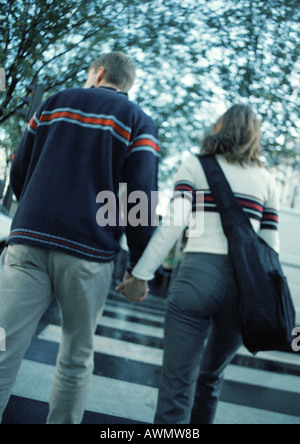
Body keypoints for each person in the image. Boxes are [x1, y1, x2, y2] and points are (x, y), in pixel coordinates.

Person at [0, 51, 159, 424]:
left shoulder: (55, 103)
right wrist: (138, 267)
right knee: (74, 359)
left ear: (98, 72)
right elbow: (138, 197)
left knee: (4, 348)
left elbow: (19, 169)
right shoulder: (138, 121)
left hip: (29, 240)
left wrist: (36, 210)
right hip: (89, 250)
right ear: (127, 84)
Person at [117, 104, 280, 424]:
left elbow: (173, 225)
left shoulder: (195, 166)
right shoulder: (268, 181)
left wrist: (141, 274)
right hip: (243, 287)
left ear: (219, 127)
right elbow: (270, 248)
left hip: (197, 276)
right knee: (210, 379)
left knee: (176, 385)